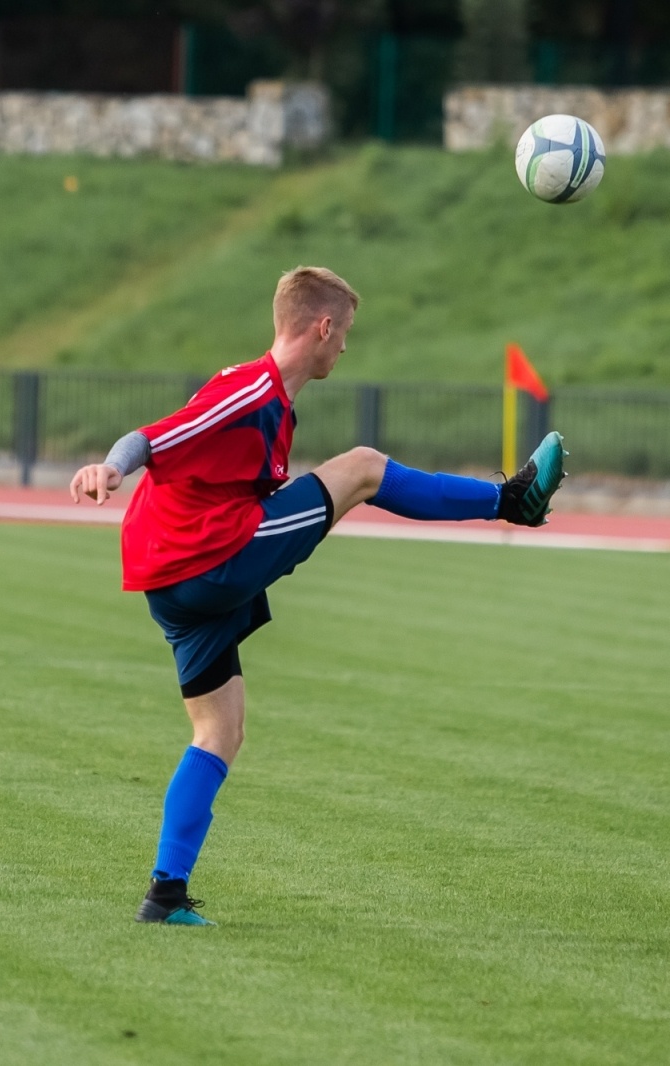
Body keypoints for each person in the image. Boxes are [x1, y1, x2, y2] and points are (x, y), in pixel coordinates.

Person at [69, 266, 567, 925]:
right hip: (207, 557)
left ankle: (164, 896)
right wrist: (111, 465)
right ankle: (513, 500)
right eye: (345, 334)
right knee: (362, 468)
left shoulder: (273, 403)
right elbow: (154, 437)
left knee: (220, 729)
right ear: (322, 327)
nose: (346, 349)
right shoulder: (249, 388)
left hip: (172, 580)